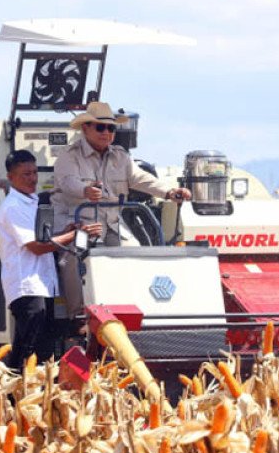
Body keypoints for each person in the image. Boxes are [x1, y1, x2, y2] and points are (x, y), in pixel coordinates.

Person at [51, 101, 191, 315]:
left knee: (135, 254)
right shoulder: (68, 155)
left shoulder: (121, 156)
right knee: (73, 257)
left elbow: (141, 178)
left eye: (111, 128)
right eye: (100, 127)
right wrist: (85, 190)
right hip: (77, 224)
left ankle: (132, 312)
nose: (106, 132)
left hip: (113, 224)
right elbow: (68, 182)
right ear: (85, 128)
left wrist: (169, 192)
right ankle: (78, 316)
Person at [0, 150, 102, 369]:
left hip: (40, 285)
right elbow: (37, 247)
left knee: (41, 349)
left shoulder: (31, 202)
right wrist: (75, 234)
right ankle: (13, 395)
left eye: (34, 172)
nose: (33, 178)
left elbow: (46, 240)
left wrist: (66, 230)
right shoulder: (14, 207)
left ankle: (25, 393)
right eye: (25, 174)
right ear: (11, 177)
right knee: (27, 347)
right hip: (27, 285)